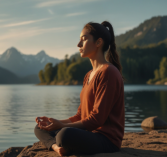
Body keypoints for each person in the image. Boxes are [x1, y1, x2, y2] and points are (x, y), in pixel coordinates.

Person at [34, 21, 125, 156]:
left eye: (84, 39)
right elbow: (80, 116)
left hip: (106, 140)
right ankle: (57, 148)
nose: (78, 44)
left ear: (98, 42)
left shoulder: (108, 72)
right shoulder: (88, 75)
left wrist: (62, 126)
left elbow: (96, 120)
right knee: (40, 128)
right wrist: (55, 122)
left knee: (64, 134)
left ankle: (61, 144)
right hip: (88, 134)